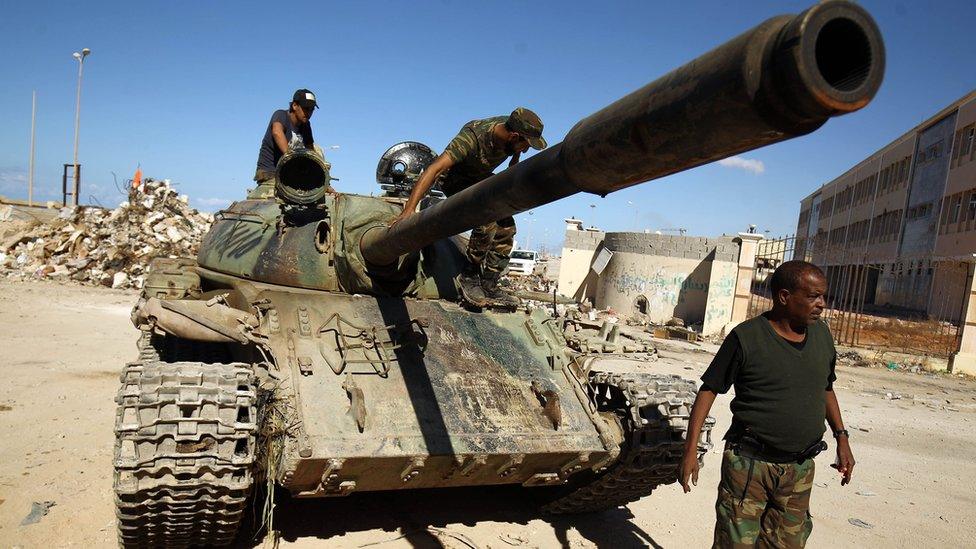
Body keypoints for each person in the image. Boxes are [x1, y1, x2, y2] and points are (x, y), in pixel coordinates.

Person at [679, 260, 855, 549]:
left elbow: (826, 387)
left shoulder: (822, 336)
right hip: (750, 465)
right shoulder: (747, 338)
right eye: (812, 296)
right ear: (784, 297)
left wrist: (842, 438)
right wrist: (690, 452)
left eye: (823, 296)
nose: (821, 304)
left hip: (799, 469)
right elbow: (709, 390)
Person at [392, 107, 547, 307]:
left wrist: (514, 162)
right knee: (486, 219)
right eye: (525, 145)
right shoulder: (472, 138)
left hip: (479, 177)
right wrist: (408, 210)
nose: (525, 150)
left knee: (507, 224)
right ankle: (470, 276)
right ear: (514, 136)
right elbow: (434, 168)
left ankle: (490, 283)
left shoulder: (511, 135)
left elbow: (513, 159)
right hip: (454, 179)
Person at [250, 89, 319, 199]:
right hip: (270, 173)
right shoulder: (281, 115)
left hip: (288, 176)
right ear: (295, 105)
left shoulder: (306, 126)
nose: (309, 113)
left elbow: (311, 153)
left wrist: (321, 179)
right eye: (306, 108)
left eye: (312, 109)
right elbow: (277, 132)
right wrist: (292, 159)